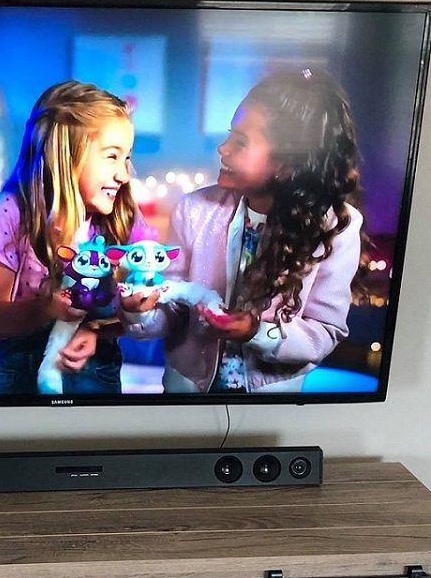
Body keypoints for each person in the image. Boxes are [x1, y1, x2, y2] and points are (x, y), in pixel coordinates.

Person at [122, 69, 365, 393]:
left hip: (268, 408)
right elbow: (172, 310)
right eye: (229, 135)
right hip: (185, 397)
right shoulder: (194, 209)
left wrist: (256, 331)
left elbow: (323, 332)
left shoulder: (336, 227)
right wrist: (141, 312)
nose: (222, 149)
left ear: (286, 165)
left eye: (240, 142)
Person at [0, 80, 156, 395]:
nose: (124, 174)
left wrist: (103, 327)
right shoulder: (12, 211)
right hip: (20, 381)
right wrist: (47, 309)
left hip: (97, 378)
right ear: (65, 154)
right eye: (112, 156)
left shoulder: (122, 215)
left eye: (127, 158)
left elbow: (136, 315)